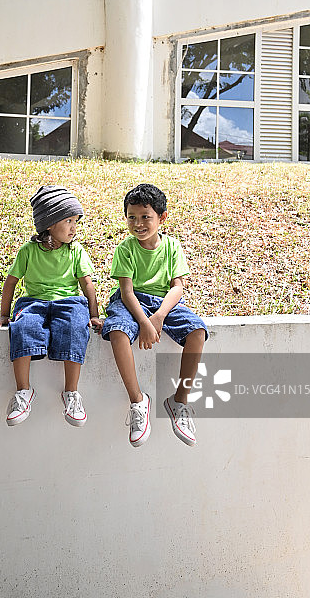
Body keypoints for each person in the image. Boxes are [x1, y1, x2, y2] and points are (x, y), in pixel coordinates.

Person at [101, 183, 207, 447]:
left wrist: (158, 317)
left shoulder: (172, 247)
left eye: (145, 217)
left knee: (197, 331)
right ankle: (138, 401)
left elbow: (177, 287)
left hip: (164, 303)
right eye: (132, 217)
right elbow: (126, 292)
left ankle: (179, 401)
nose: (138, 224)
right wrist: (144, 322)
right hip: (130, 302)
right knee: (117, 331)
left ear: (162, 217)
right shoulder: (125, 249)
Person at [0, 185, 102, 427]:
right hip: (34, 302)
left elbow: (87, 285)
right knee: (23, 327)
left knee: (75, 327)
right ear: (49, 223)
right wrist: (4, 315)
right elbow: (10, 283)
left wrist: (94, 315)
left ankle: (71, 393)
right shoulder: (28, 251)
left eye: (76, 221)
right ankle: (23, 391)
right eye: (68, 220)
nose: (74, 227)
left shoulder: (75, 251)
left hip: (69, 303)